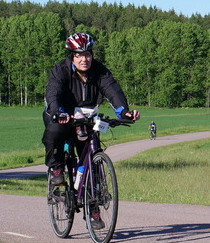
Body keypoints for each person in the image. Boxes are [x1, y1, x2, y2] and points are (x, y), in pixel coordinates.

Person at [43, 32, 139, 193]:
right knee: (55, 131)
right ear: (72, 56)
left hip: (86, 118)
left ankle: (93, 198)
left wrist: (124, 112)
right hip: (63, 115)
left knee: (91, 154)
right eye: (79, 55)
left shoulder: (100, 71)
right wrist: (58, 112)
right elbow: (53, 93)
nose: (84, 59)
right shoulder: (60, 70)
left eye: (87, 54)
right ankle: (56, 169)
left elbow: (113, 91)